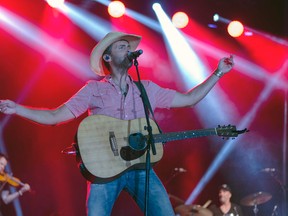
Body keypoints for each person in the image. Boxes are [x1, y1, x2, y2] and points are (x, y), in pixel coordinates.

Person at [0, 31, 234, 216]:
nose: (129, 49)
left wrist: (217, 73)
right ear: (108, 57)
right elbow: (54, 117)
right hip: (104, 171)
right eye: (122, 46)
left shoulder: (147, 89)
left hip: (141, 168)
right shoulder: (93, 89)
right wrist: (17, 108)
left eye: (129, 47)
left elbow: (190, 99)